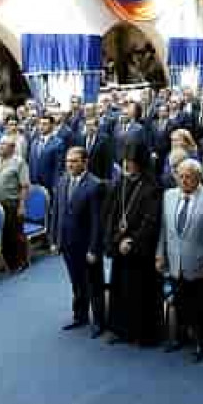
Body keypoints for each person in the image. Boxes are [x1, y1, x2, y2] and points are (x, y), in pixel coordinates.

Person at [156, 159, 203, 363]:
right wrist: (160, 254)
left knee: (200, 306)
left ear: (198, 177)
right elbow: (164, 229)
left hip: (200, 264)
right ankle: (181, 336)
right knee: (180, 302)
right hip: (175, 261)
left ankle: (202, 342)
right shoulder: (168, 195)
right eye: (180, 176)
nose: (183, 180)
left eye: (188, 177)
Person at [103, 140, 163, 346]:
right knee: (119, 289)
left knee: (140, 292)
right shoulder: (120, 183)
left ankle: (141, 333)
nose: (127, 164)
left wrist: (132, 241)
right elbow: (111, 213)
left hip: (140, 251)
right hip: (120, 246)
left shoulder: (153, 186)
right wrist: (115, 239)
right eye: (125, 160)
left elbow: (151, 220)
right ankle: (119, 329)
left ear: (141, 162)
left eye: (131, 161)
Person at [50, 147, 105, 338]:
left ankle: (99, 321)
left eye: (74, 161)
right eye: (68, 161)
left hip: (86, 245)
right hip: (67, 243)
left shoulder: (95, 185)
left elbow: (97, 221)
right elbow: (56, 212)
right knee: (76, 282)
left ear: (85, 162)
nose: (70, 165)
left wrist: (93, 249)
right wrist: (54, 240)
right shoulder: (62, 181)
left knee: (94, 284)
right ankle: (80, 315)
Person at [0, 136, 30, 272]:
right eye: (0, 145)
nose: (0, 147)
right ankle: (8, 262)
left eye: (4, 145)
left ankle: (21, 261)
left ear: (12, 147)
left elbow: (24, 186)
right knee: (3, 234)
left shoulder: (20, 162)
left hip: (12, 203)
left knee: (15, 234)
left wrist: (22, 205)